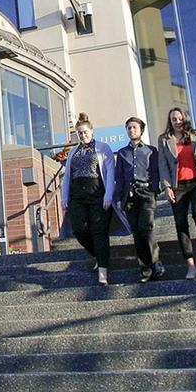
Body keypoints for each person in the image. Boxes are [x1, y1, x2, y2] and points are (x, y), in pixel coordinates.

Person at [158, 107, 196, 279]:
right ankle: (190, 263)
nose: (177, 122)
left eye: (179, 118)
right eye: (173, 119)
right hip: (178, 186)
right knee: (180, 222)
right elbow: (163, 165)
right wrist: (167, 187)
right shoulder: (164, 139)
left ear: (185, 118)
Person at [60, 113, 118, 285]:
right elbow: (67, 177)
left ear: (92, 131)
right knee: (79, 230)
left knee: (99, 232)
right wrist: (65, 198)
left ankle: (102, 272)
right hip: (78, 196)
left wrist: (108, 195)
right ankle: (99, 255)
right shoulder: (73, 152)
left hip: (97, 195)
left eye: (85, 132)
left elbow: (110, 173)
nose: (83, 136)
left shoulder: (102, 147)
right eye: (79, 133)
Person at [117, 116, 175, 282]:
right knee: (136, 231)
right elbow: (119, 177)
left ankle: (156, 262)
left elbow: (156, 172)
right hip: (129, 195)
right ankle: (144, 267)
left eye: (134, 127)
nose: (131, 130)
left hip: (146, 193)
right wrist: (119, 197)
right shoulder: (122, 153)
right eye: (129, 128)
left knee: (146, 227)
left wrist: (154, 189)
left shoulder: (151, 151)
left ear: (141, 130)